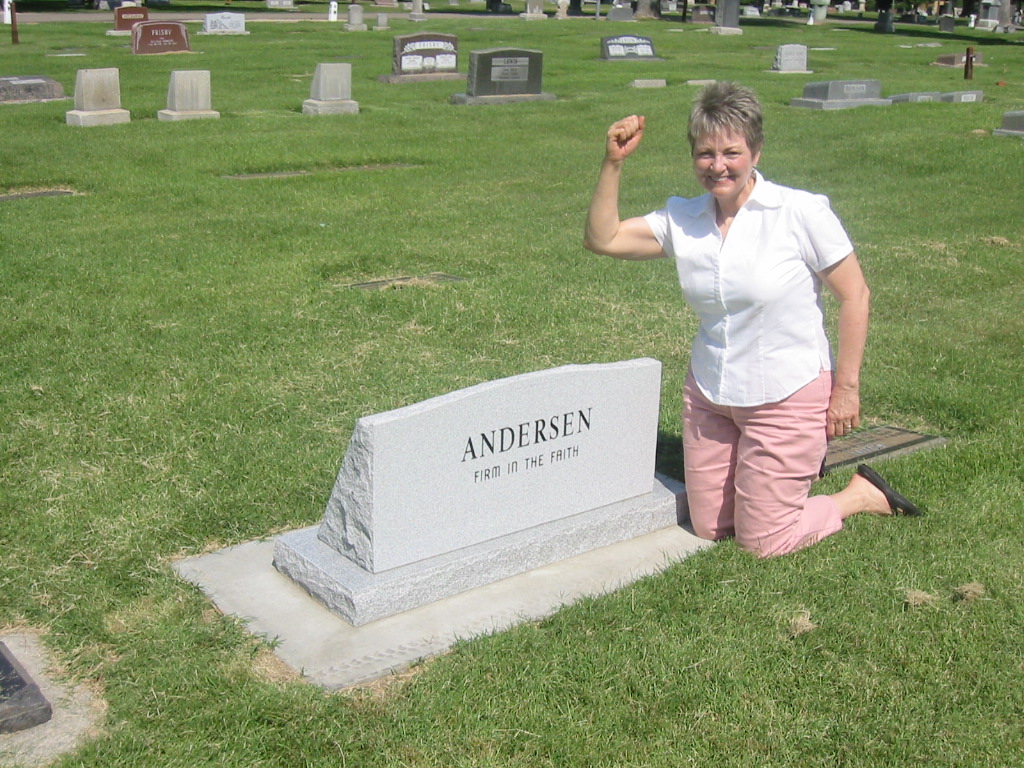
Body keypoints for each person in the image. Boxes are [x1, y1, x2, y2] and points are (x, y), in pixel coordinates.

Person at [584, 82, 921, 558]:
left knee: (763, 541)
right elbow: (604, 239)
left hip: (785, 391)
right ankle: (771, 474)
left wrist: (845, 389)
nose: (717, 165)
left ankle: (858, 495)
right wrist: (613, 162)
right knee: (711, 528)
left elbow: (856, 295)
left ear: (756, 151)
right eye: (704, 153)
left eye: (731, 152)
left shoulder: (799, 212)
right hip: (710, 394)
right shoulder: (684, 218)